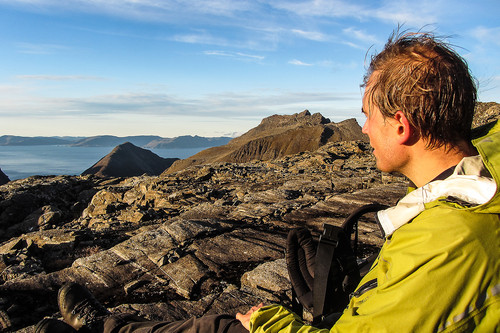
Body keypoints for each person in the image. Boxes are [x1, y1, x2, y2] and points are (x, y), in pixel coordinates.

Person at [35, 30, 499, 333]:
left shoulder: (448, 242)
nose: (361, 131)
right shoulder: (478, 190)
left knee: (221, 327)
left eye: (367, 116)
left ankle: (104, 330)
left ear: (401, 125)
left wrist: (270, 322)